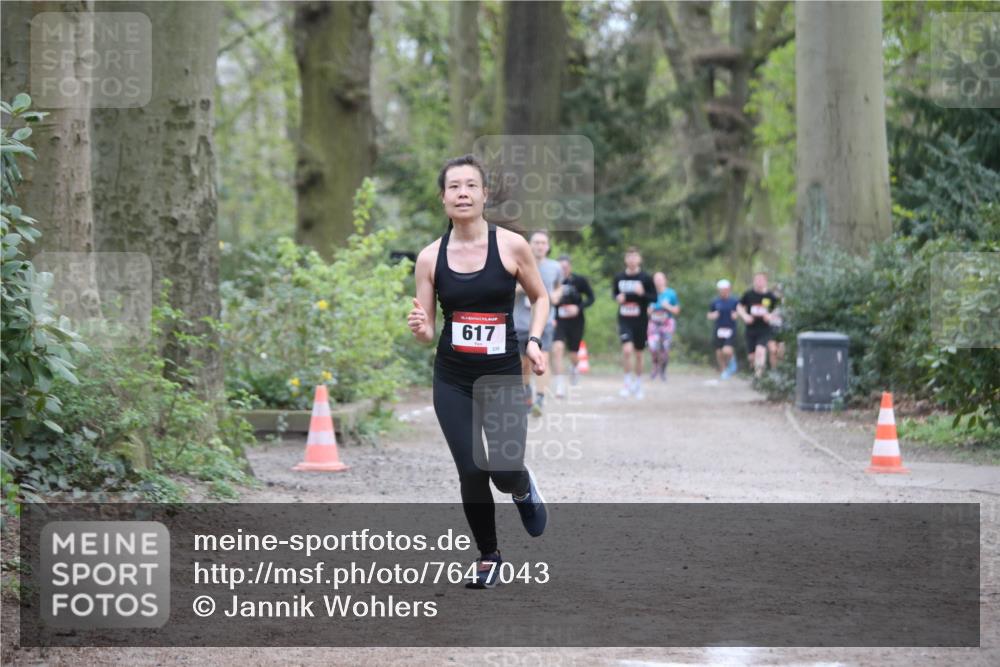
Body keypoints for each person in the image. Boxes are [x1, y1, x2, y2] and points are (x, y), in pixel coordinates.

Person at [407, 155, 548, 589]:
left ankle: (522, 486)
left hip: (503, 374)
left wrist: (536, 342)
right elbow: (428, 330)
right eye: (454, 187)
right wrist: (420, 327)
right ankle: (488, 554)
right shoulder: (430, 258)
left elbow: (540, 298)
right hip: (452, 377)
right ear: (443, 198)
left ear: (485, 195)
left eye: (471, 185)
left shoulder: (511, 246)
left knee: (503, 470)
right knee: (470, 469)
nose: (463, 193)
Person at [513, 230, 562, 416]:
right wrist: (523, 288)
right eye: (536, 242)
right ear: (529, 245)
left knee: (543, 359)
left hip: (544, 322)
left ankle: (539, 399)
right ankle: (527, 393)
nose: (540, 246)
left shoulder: (555, 267)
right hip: (521, 322)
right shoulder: (518, 265)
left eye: (543, 243)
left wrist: (556, 295)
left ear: (548, 247)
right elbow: (508, 290)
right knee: (524, 363)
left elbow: (558, 287)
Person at [613, 247, 656, 399]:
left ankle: (638, 384)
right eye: (629, 256)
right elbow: (615, 293)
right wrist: (617, 298)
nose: (631, 259)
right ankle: (626, 382)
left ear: (639, 259)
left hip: (641, 321)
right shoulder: (619, 277)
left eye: (634, 256)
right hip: (625, 319)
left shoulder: (645, 278)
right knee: (626, 350)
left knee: (638, 354)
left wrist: (642, 294)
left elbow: (654, 298)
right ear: (625, 259)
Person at [552, 254, 594, 398]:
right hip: (558, 320)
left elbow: (591, 298)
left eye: (565, 266)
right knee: (557, 348)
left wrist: (579, 307)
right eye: (560, 267)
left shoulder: (579, 280)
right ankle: (560, 385)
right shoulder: (553, 281)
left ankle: (574, 367)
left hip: (576, 321)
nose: (563, 269)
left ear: (570, 266)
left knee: (573, 354)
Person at [736, 271, 780, 377]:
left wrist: (770, 316)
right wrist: (745, 316)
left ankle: (759, 377)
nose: (759, 282)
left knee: (761, 351)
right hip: (751, 329)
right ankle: (755, 371)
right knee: (752, 357)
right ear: (754, 281)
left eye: (761, 280)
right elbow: (739, 307)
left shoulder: (770, 296)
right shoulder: (748, 294)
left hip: (764, 329)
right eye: (757, 280)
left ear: (765, 281)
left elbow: (777, 309)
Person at [646, 271, 679, 381]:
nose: (658, 281)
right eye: (656, 279)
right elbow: (645, 310)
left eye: (660, 279)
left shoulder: (671, 294)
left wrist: (668, 306)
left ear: (665, 280)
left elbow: (677, 310)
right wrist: (649, 311)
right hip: (653, 323)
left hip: (667, 323)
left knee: (665, 348)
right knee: (653, 347)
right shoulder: (650, 293)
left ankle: (663, 370)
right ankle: (655, 367)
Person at [707, 279, 740, 379]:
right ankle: (724, 370)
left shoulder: (734, 301)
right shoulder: (715, 302)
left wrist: (736, 315)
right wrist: (713, 315)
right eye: (721, 289)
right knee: (719, 352)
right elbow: (709, 314)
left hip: (730, 329)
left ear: (729, 289)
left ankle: (732, 363)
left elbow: (739, 311)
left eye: (725, 289)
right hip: (719, 329)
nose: (723, 291)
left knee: (727, 350)